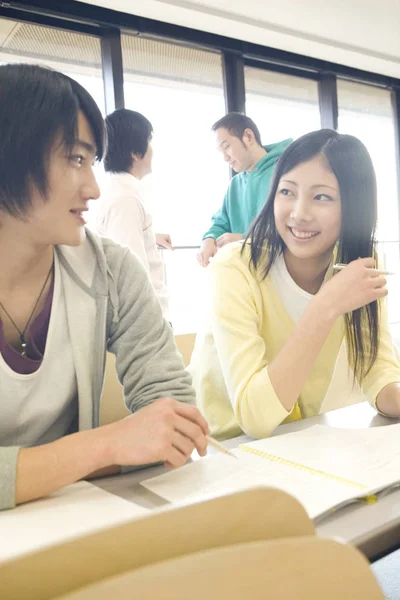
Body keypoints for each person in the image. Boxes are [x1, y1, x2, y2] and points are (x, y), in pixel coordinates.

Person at [0, 64, 208, 511]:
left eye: (91, 162)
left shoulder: (111, 268)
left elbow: (176, 416)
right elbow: (123, 443)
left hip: (70, 522)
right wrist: (104, 445)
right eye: (75, 159)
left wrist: (41, 470)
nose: (93, 187)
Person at [189, 129, 400, 440]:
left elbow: (378, 372)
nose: (299, 213)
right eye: (287, 192)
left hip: (301, 444)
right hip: (221, 449)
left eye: (322, 197)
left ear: (353, 207)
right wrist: (326, 306)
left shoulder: (356, 266)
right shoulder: (234, 268)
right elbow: (254, 418)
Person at [96, 109, 171, 318]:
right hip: (146, 322)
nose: (152, 150)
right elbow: (131, 273)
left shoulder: (116, 190)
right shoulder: (125, 199)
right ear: (135, 153)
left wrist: (149, 237)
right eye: (148, 141)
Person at [196, 113, 292, 267]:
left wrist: (245, 239)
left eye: (226, 147)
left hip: (280, 271)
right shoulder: (235, 184)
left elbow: (292, 226)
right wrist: (209, 239)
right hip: (244, 274)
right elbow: (221, 222)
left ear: (248, 137)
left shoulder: (286, 173)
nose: (225, 158)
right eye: (221, 151)